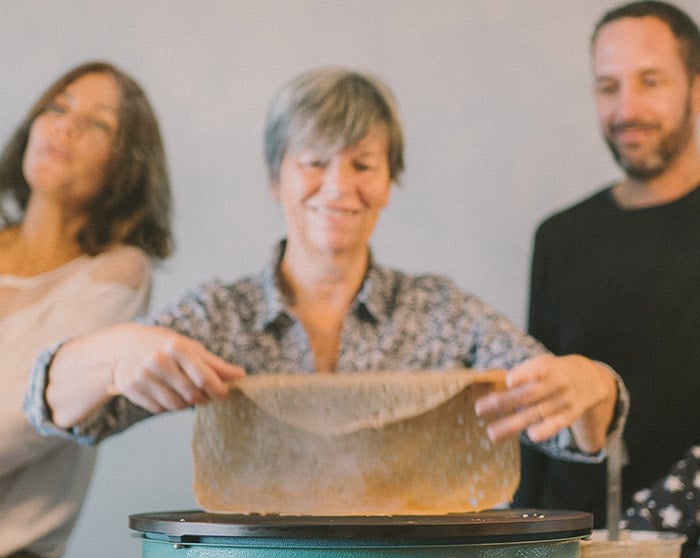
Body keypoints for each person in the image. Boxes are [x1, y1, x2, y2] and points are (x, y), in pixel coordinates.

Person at [26, 67, 625, 521]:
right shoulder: (219, 316)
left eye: (364, 164)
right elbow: (55, 407)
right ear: (275, 177)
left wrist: (591, 385)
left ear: (390, 182)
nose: (339, 187)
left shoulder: (442, 313)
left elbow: (574, 421)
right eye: (314, 161)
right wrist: (117, 352)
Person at [514, 2, 700, 558]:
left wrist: (653, 534)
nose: (627, 110)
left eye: (651, 81)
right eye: (608, 86)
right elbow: (534, 418)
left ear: (696, 88)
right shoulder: (560, 238)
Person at [0, 61, 173, 558]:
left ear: (125, 168)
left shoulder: (117, 273)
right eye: (58, 106)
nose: (65, 126)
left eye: (97, 123)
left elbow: (22, 416)